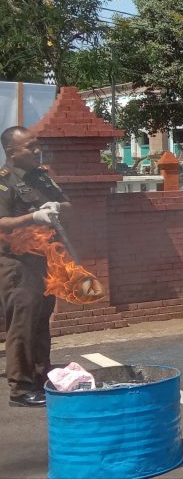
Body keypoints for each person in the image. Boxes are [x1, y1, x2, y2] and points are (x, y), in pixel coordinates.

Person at [0, 126, 70, 407]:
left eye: (37, 145)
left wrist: (57, 208)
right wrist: (33, 217)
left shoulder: (42, 178)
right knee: (23, 324)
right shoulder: (4, 183)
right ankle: (20, 388)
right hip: (17, 262)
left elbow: (68, 205)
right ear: (11, 153)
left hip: (44, 260)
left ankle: (41, 378)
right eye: (30, 147)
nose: (36, 150)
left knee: (41, 321)